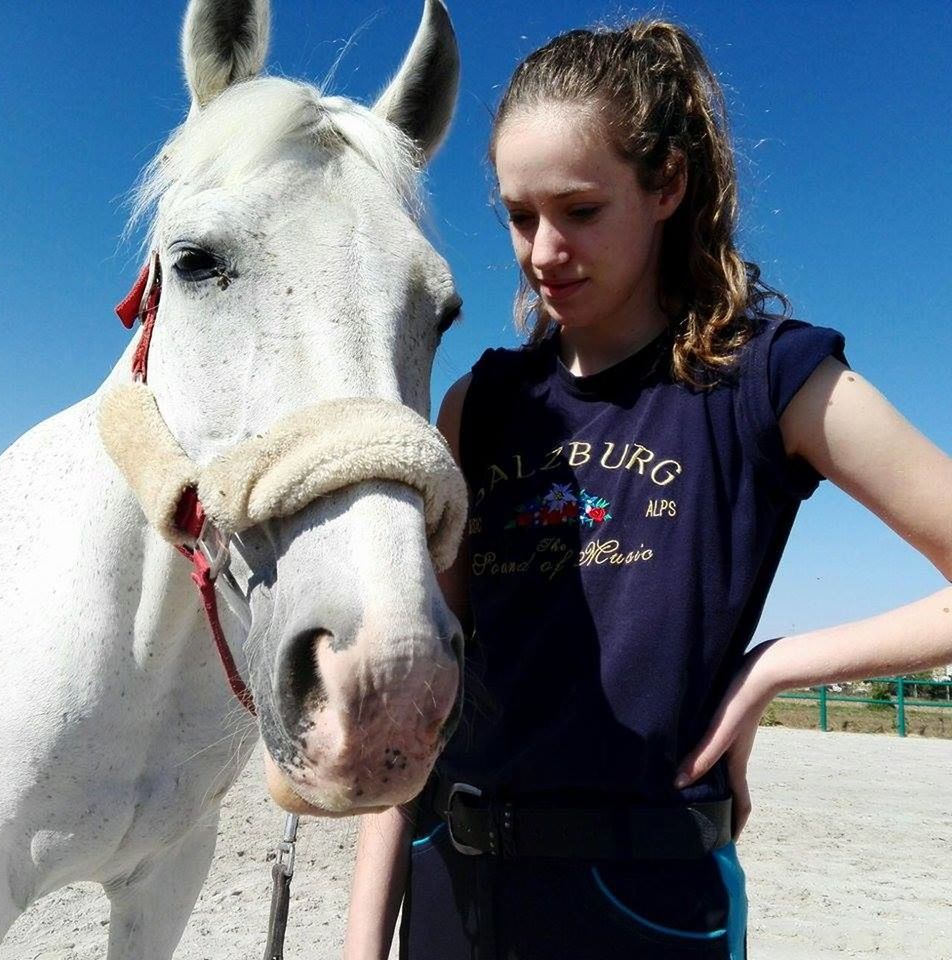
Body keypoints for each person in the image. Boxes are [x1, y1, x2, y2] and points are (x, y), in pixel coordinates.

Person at [341, 19, 952, 960]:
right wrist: (360, 947)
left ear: (667, 185)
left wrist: (771, 669)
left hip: (650, 905)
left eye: (580, 211)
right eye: (518, 215)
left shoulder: (768, 381)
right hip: (452, 890)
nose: (543, 250)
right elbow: (432, 687)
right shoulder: (482, 404)